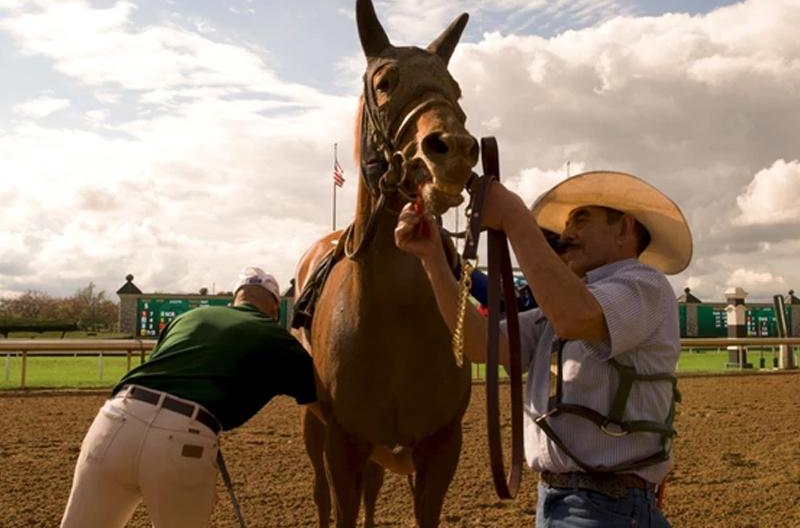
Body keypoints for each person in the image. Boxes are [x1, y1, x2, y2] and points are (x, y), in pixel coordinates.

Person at [395, 171, 692, 528]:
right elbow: (482, 345)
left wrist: (513, 216)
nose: (566, 235)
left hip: (605, 508)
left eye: (580, 220)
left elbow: (574, 317)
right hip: (568, 502)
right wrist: (432, 259)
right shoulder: (569, 303)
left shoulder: (645, 284)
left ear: (624, 229)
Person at [61, 267, 411, 528]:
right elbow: (332, 419)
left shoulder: (188, 317)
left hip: (112, 423)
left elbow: (165, 383)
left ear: (234, 299)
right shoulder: (280, 343)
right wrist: (393, 461)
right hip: (183, 441)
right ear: (274, 310)